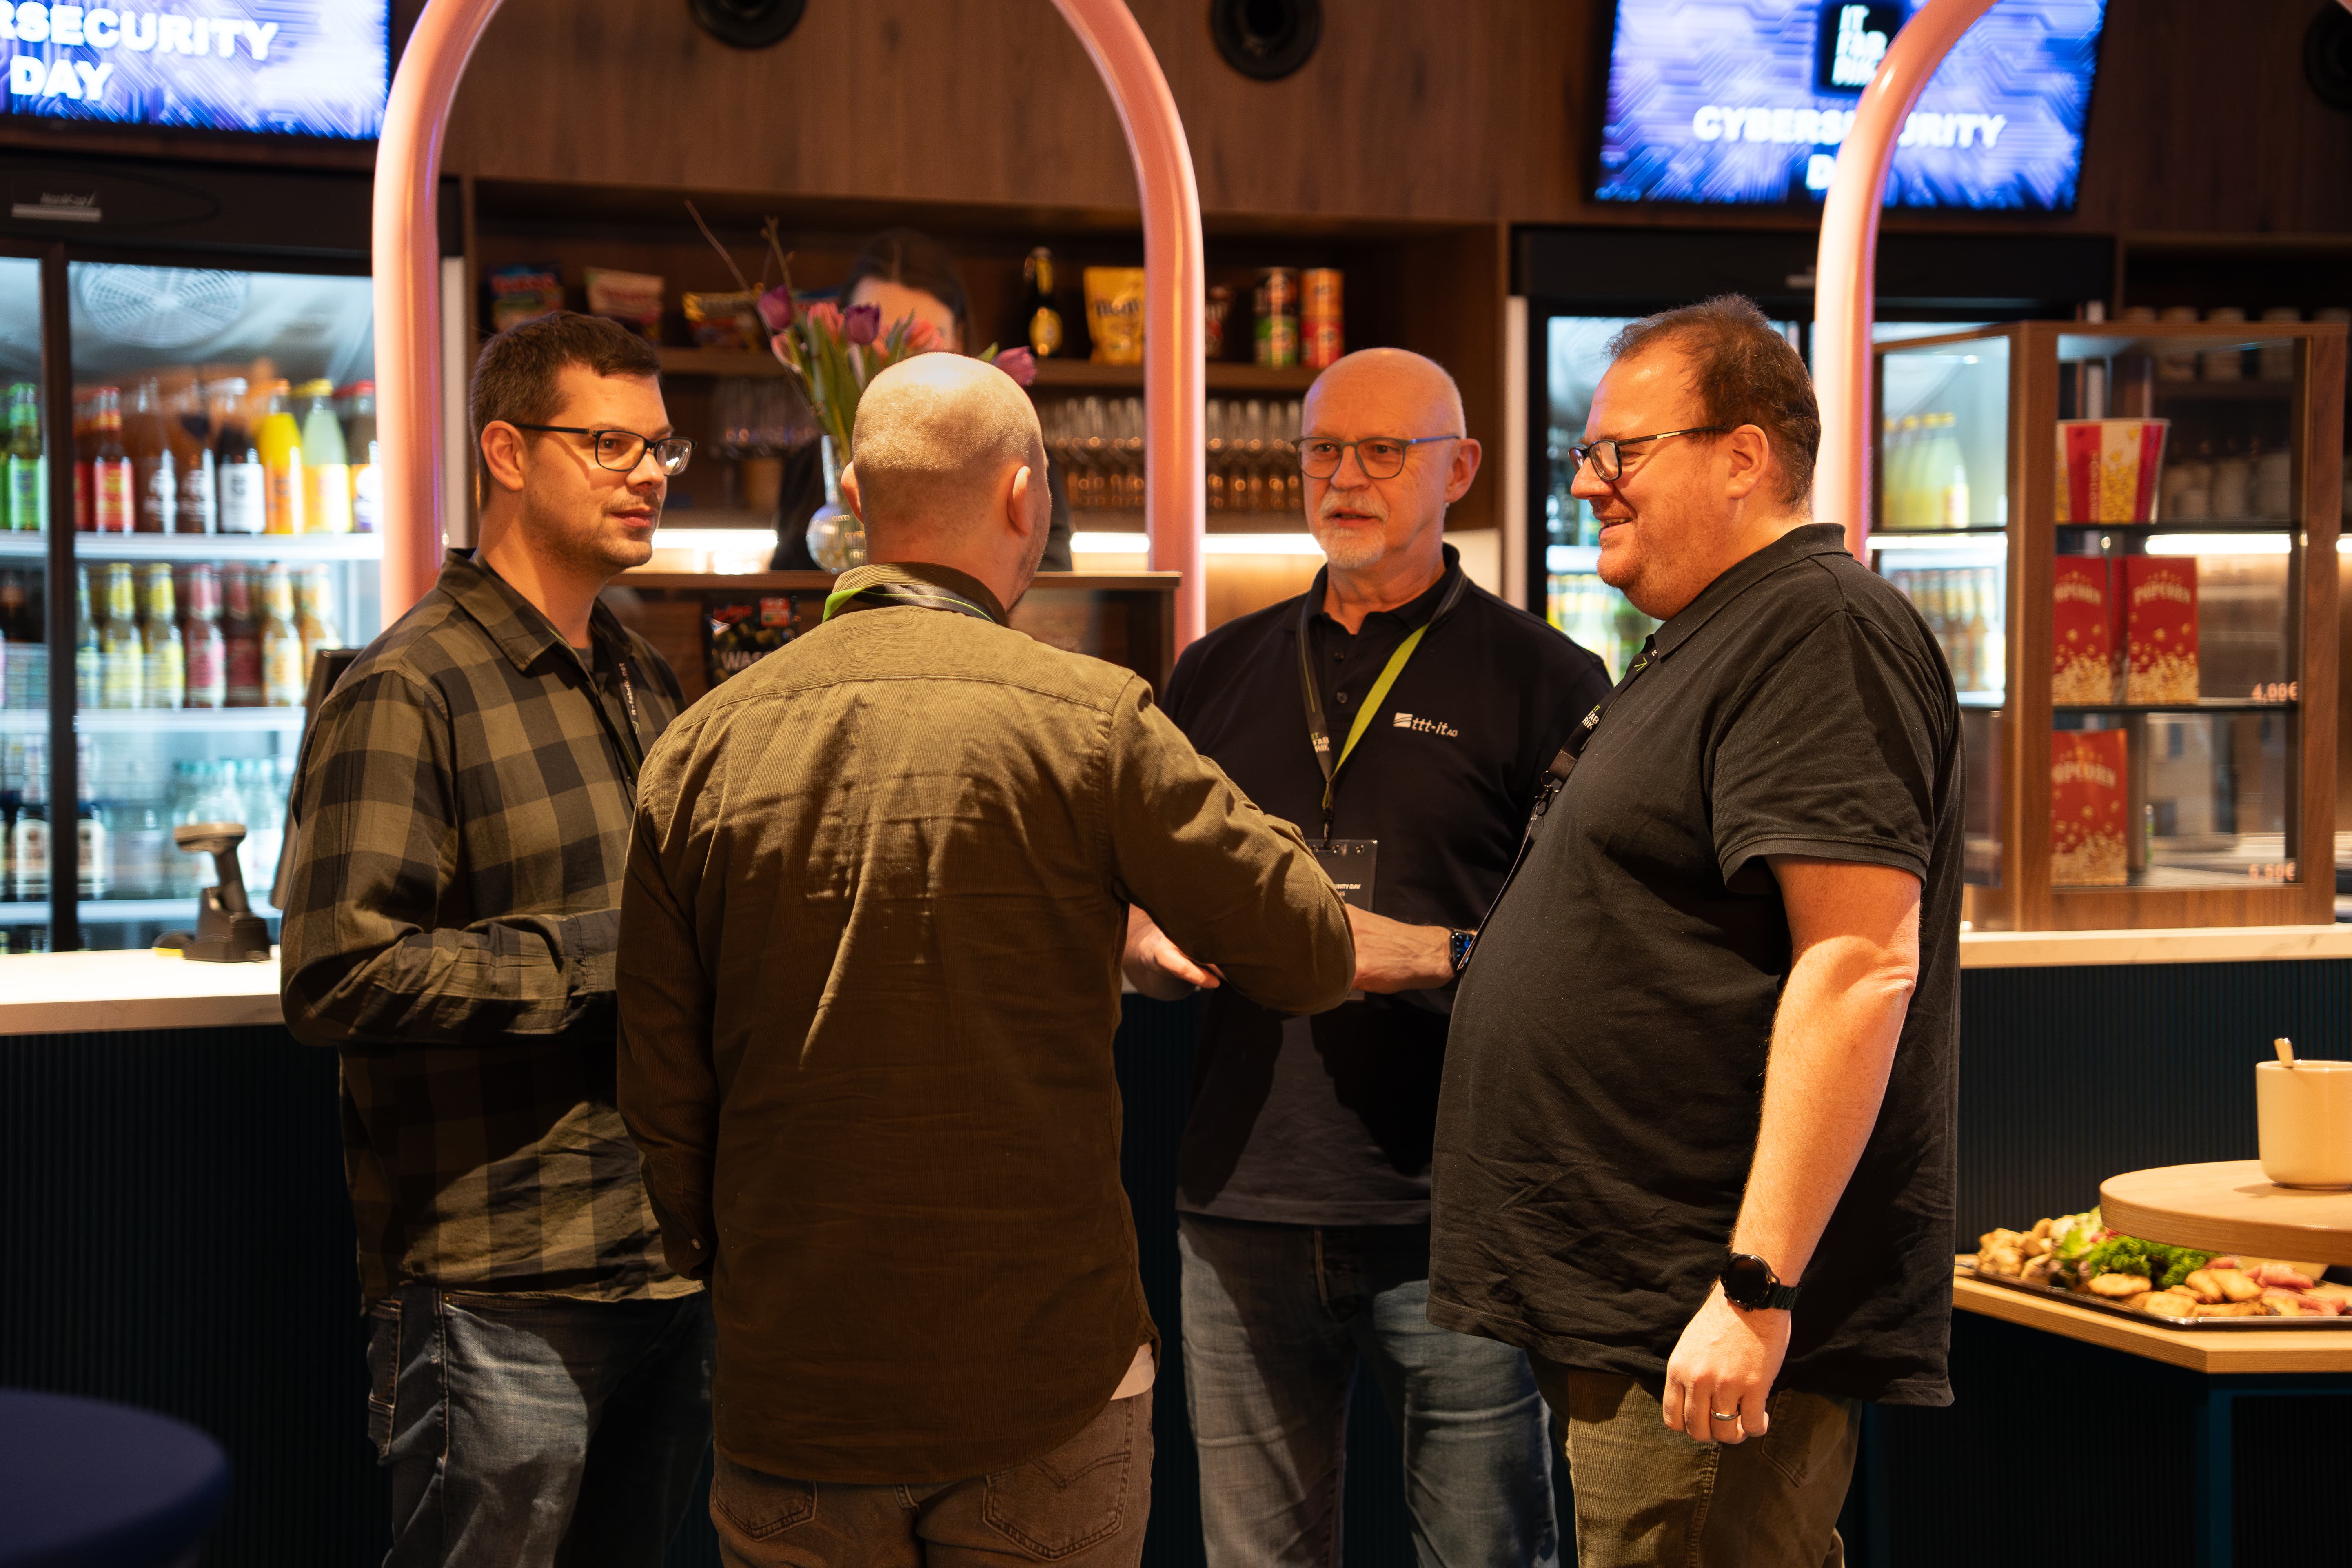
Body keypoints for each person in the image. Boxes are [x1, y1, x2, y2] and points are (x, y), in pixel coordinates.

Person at [616, 353, 1355, 1568]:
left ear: (857, 499)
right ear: (1024, 497)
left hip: (794, 1378)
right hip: (1043, 1377)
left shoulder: (696, 749)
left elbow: (658, 1081)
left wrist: (732, 1262)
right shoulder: (1092, 720)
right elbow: (1310, 950)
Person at [1428, 295, 1961, 1567]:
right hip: (1640, 1301)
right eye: (1585, 452)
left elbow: (1857, 966)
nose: (1587, 481)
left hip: (1702, 1307)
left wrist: (1755, 1288)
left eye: (1621, 450)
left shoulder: (1820, 627)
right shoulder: (1711, 633)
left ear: (1742, 456)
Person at [1126, 347, 1607, 1568]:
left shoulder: (1546, 679)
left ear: (1461, 468)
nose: (1344, 478)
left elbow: (1592, 948)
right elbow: (1132, 899)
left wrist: (1439, 953)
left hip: (1458, 1214)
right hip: (1237, 1203)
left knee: (1483, 1552)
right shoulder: (1213, 670)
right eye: (1323, 451)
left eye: (1382, 451)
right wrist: (1137, 943)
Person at [280, 311, 711, 1568]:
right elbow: (336, 973)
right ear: (507, 452)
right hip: (497, 1285)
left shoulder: (644, 676)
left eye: (660, 447)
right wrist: (608, 959)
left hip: (665, 1258)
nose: (647, 473)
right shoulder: (407, 685)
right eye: (610, 443)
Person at [770, 226, 1074, 571]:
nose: (896, 359)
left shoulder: (1019, 458)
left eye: (921, 338)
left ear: (959, 341)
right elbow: (782, 590)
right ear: (840, 339)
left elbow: (1052, 587)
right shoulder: (812, 464)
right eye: (879, 336)